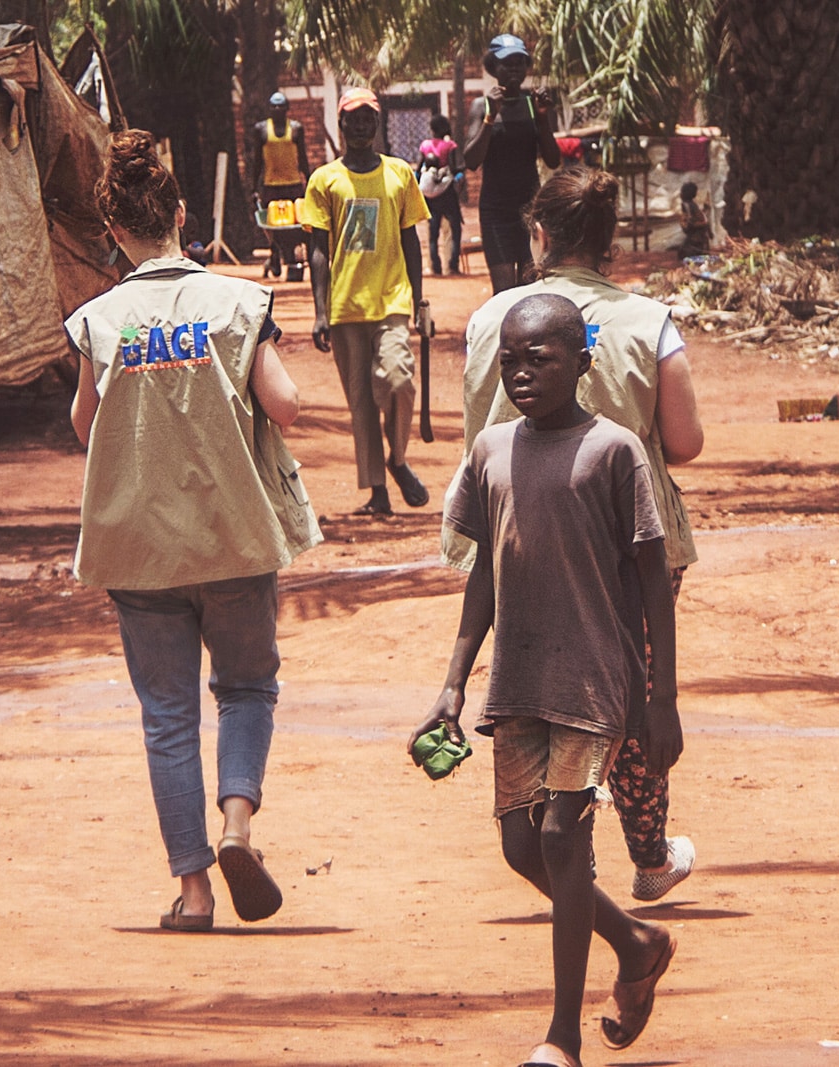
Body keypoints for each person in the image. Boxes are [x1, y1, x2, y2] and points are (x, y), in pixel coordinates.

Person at [66, 130, 322, 931]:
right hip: (233, 535)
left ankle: (195, 892)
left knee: (167, 715)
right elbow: (286, 405)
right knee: (246, 687)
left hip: (140, 548)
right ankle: (237, 825)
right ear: (181, 215)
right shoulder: (239, 302)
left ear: (115, 230)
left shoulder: (98, 319)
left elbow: (84, 425)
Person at [417, 293, 680, 1067]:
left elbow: (653, 578)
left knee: (564, 836)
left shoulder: (615, 451)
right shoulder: (491, 450)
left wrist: (661, 696)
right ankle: (635, 943)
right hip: (519, 677)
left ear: (582, 362)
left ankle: (562, 1035)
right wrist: (453, 682)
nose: (522, 373)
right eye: (510, 361)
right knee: (522, 845)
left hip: (597, 678)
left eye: (540, 358)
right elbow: (484, 574)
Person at [449, 166, 705, 906]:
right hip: (632, 538)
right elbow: (684, 442)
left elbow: (475, 434)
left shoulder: (492, 320)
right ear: (610, 240)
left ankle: (564, 849)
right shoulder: (649, 322)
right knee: (627, 685)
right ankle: (647, 854)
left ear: (539, 235)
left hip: (519, 533)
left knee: (538, 682)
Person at [302, 88, 432, 516]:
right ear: (341, 125)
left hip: (392, 299)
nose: (360, 126)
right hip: (345, 306)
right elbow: (318, 251)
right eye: (352, 119)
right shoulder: (324, 179)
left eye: (367, 119)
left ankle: (398, 458)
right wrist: (320, 312)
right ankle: (378, 492)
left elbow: (411, 239)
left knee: (398, 380)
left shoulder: (400, 173)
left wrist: (418, 300)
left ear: (377, 124)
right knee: (360, 403)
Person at [464, 34, 563, 294]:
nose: (514, 69)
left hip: (530, 208)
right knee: (504, 291)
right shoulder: (482, 106)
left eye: (519, 63)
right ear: (493, 67)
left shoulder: (535, 104)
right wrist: (490, 118)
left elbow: (553, 160)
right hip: (496, 211)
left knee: (531, 287)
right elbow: (471, 160)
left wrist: (543, 118)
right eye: (507, 63)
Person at [252, 92, 313, 283]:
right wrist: (254, 186)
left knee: (294, 226)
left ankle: (291, 259)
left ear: (287, 108)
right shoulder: (262, 129)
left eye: (281, 106)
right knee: (273, 226)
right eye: (274, 106)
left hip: (293, 184)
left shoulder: (295, 129)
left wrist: (309, 180)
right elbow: (257, 161)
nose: (277, 109)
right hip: (271, 185)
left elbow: (302, 157)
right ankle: (275, 253)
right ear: (270, 109)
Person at [419, 114, 466, 276]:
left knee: (433, 233)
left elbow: (419, 169)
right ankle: (452, 265)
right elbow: (454, 167)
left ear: (432, 129)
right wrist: (459, 176)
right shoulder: (450, 146)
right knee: (454, 229)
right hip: (447, 193)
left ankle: (435, 266)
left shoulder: (425, 145)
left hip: (430, 196)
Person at [675, 181, 713, 258]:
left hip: (697, 231)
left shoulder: (687, 205)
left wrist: (689, 224)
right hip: (698, 230)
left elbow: (692, 219)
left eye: (682, 192)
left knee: (686, 253)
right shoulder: (691, 204)